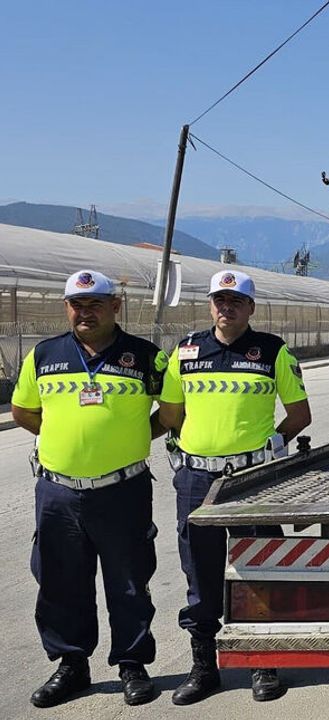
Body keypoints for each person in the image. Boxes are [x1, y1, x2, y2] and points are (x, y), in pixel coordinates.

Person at [12, 270, 166, 708]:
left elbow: (173, 411)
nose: (85, 313)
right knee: (60, 581)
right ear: (67, 308)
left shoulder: (146, 356)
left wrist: (132, 437)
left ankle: (132, 664)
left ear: (115, 306)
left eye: (95, 304)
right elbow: (23, 411)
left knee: (129, 581)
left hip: (122, 490)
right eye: (76, 305)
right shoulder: (44, 355)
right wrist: (63, 440)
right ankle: (71, 664)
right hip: (58, 493)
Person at [158, 270, 311, 705]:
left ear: (251, 308)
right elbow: (170, 415)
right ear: (210, 304)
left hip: (252, 479)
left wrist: (269, 448)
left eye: (236, 301)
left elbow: (300, 414)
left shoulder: (273, 351)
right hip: (196, 479)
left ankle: (263, 663)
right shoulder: (186, 351)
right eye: (219, 300)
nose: (227, 307)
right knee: (199, 573)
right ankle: (204, 667)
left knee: (258, 569)